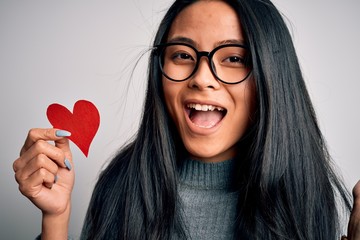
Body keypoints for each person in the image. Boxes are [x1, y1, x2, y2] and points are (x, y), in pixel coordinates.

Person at [12, 0, 360, 239]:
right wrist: (55, 219)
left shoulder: (306, 193)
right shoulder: (121, 185)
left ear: (270, 77)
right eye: (182, 54)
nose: (202, 77)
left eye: (234, 58)